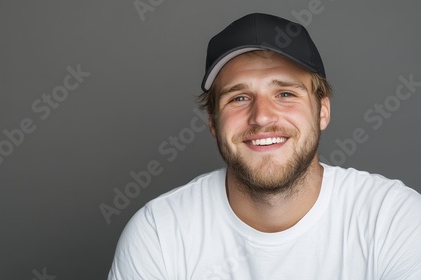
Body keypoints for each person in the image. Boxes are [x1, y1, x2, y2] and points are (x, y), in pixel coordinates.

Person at [108, 13, 421, 279]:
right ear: (214, 123)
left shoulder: (393, 220)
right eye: (239, 97)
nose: (261, 117)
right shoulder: (160, 233)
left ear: (322, 110)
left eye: (285, 93)